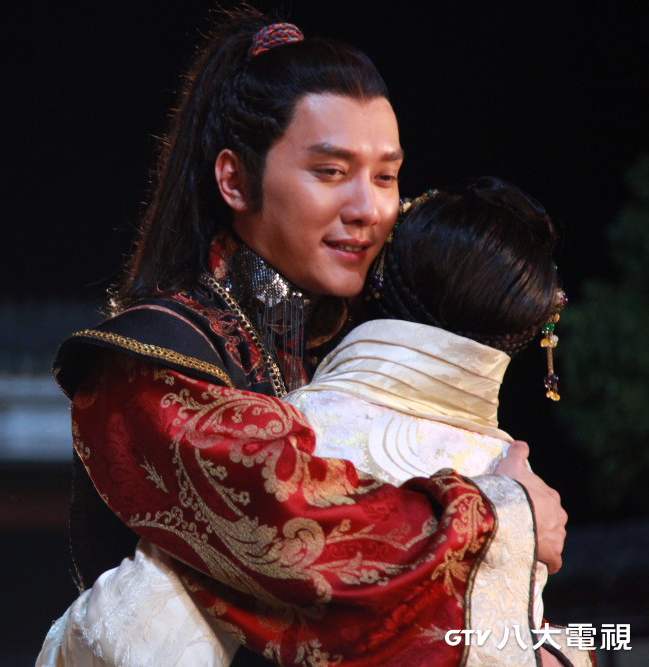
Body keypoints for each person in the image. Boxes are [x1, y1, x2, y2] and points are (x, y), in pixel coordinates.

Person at [44, 9, 567, 667]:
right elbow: (295, 522)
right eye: (331, 171)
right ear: (235, 180)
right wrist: (504, 515)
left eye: (385, 176)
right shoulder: (153, 360)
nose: (368, 209)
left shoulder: (344, 349)